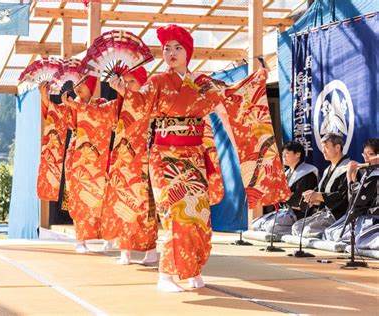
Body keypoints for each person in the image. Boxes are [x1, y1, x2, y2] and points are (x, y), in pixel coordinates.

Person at [110, 24, 289, 292]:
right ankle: (166, 275)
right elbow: (138, 104)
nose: (171, 52)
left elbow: (233, 98)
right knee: (174, 213)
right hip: (164, 157)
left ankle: (191, 268)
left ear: (188, 52)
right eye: (167, 48)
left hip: (193, 157)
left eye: (177, 47)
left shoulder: (203, 83)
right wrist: (124, 90)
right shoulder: (157, 82)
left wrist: (257, 79)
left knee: (199, 215)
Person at [100, 67, 160, 264]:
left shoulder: (147, 101)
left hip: (143, 161)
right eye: (125, 81)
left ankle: (150, 249)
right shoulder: (122, 102)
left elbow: (140, 107)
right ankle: (124, 249)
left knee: (144, 208)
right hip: (123, 162)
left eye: (132, 81)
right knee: (123, 205)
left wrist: (124, 93)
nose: (127, 85)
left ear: (143, 83)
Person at [61, 75, 114, 253]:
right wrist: (49, 100)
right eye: (75, 84)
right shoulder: (71, 104)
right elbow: (66, 123)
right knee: (78, 198)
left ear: (91, 85)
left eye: (82, 83)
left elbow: (101, 118)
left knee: (103, 198)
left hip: (98, 158)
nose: (77, 87)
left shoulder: (101, 103)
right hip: (77, 156)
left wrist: (75, 106)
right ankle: (80, 240)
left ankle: (108, 236)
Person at [252, 141, 318, 235]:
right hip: (285, 211)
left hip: (299, 214)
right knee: (255, 224)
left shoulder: (308, 172)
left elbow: (300, 199)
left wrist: (284, 196)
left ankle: (297, 231)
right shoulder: (286, 173)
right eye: (283, 154)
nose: (284, 156)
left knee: (271, 228)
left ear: (297, 154)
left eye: (287, 153)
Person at [293, 132, 350, 238]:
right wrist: (313, 199)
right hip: (325, 213)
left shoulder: (348, 168)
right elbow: (323, 195)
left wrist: (319, 196)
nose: (323, 151)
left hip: (338, 214)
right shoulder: (327, 169)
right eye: (322, 147)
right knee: (297, 227)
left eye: (326, 147)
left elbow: (344, 196)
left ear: (337, 147)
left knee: (306, 231)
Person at [323, 138, 379, 244]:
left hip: (373, 219)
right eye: (364, 154)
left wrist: (349, 177)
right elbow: (355, 201)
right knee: (330, 233)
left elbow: (358, 201)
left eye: (370, 154)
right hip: (364, 218)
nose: (366, 158)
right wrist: (353, 177)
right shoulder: (369, 172)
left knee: (359, 240)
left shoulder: (375, 174)